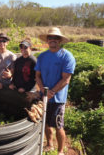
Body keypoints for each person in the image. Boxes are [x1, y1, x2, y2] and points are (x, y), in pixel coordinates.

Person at [35, 27, 76, 155]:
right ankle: (50, 144)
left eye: (55, 38)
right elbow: (37, 75)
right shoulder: (42, 56)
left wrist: (51, 92)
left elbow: (66, 79)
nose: (52, 40)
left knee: (59, 125)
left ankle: (60, 151)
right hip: (44, 95)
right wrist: (42, 89)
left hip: (58, 98)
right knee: (46, 124)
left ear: (60, 40)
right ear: (47, 40)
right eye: (50, 38)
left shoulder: (67, 56)